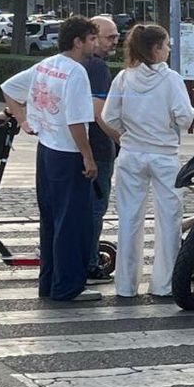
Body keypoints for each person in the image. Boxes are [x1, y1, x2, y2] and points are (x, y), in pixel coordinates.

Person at [0, 17, 101, 302]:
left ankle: (50, 283)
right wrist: (88, 157)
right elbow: (77, 121)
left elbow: (9, 87)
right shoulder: (76, 72)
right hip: (68, 154)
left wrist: (23, 119)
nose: (95, 44)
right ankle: (67, 286)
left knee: (52, 220)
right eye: (91, 39)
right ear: (78, 42)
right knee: (73, 223)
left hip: (46, 151)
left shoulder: (47, 65)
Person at [102, 24, 194, 298]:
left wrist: (128, 133)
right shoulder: (170, 80)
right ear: (156, 49)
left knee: (130, 219)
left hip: (131, 154)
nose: (169, 49)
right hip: (164, 154)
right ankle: (164, 284)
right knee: (169, 220)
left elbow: (109, 117)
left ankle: (126, 285)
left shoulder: (123, 78)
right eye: (166, 45)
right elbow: (184, 116)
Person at [84, 16, 122, 285]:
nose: (116, 41)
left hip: (71, 147)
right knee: (95, 207)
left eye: (117, 35)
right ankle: (89, 262)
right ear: (92, 37)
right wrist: (122, 139)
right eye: (110, 37)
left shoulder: (69, 63)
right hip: (96, 148)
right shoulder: (96, 67)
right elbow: (100, 115)